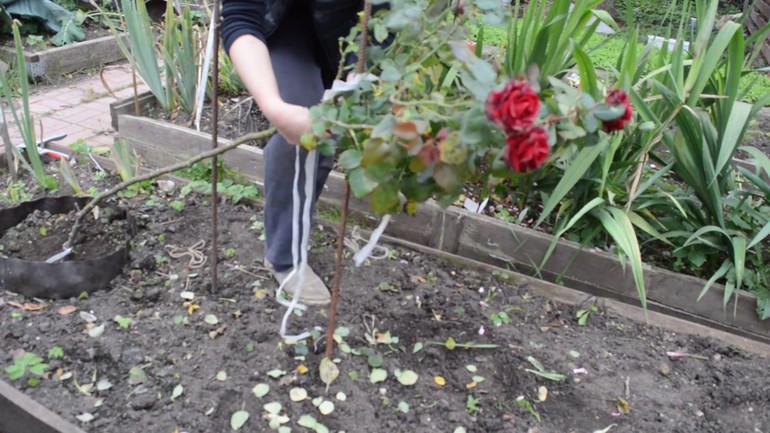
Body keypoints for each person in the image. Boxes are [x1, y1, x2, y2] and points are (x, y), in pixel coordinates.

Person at [221, 1, 371, 306]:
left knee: (328, 140)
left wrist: (368, 71)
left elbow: (390, 16)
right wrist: (276, 108)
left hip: (354, 29)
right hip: (284, 24)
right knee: (302, 134)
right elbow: (241, 15)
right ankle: (284, 258)